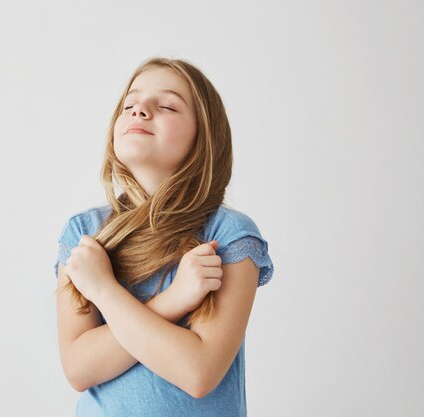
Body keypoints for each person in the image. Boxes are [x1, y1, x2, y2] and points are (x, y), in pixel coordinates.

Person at [52, 56, 275, 417]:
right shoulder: (85, 234)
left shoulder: (227, 235)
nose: (139, 110)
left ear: (204, 138)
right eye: (130, 104)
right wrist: (173, 300)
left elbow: (198, 372)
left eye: (167, 105)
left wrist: (103, 290)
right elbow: (79, 369)